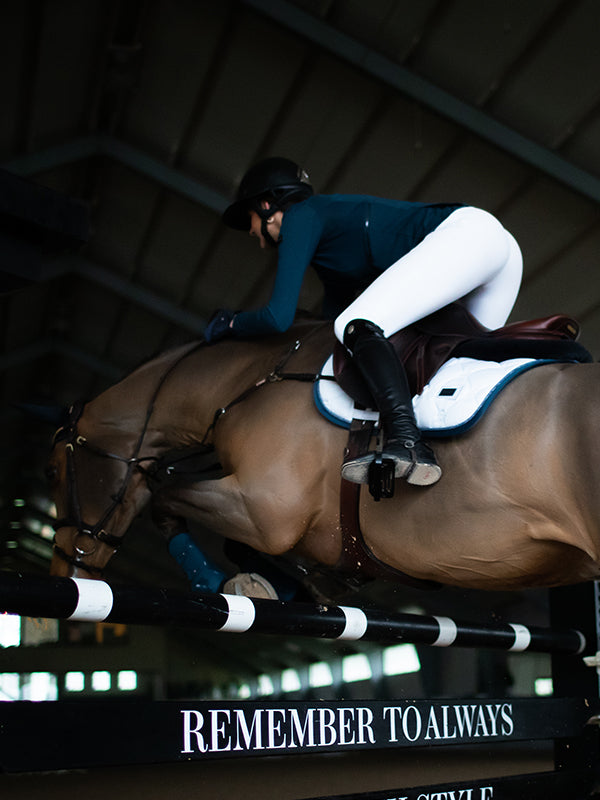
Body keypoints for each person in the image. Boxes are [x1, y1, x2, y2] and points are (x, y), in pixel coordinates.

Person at [205, 157, 523, 490]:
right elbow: (330, 324)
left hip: (467, 236)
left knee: (356, 323)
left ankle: (406, 439)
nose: (255, 235)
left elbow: (278, 316)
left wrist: (230, 324)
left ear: (267, 205)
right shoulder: (327, 241)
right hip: (499, 250)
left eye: (252, 221)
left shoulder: (301, 216)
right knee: (455, 369)